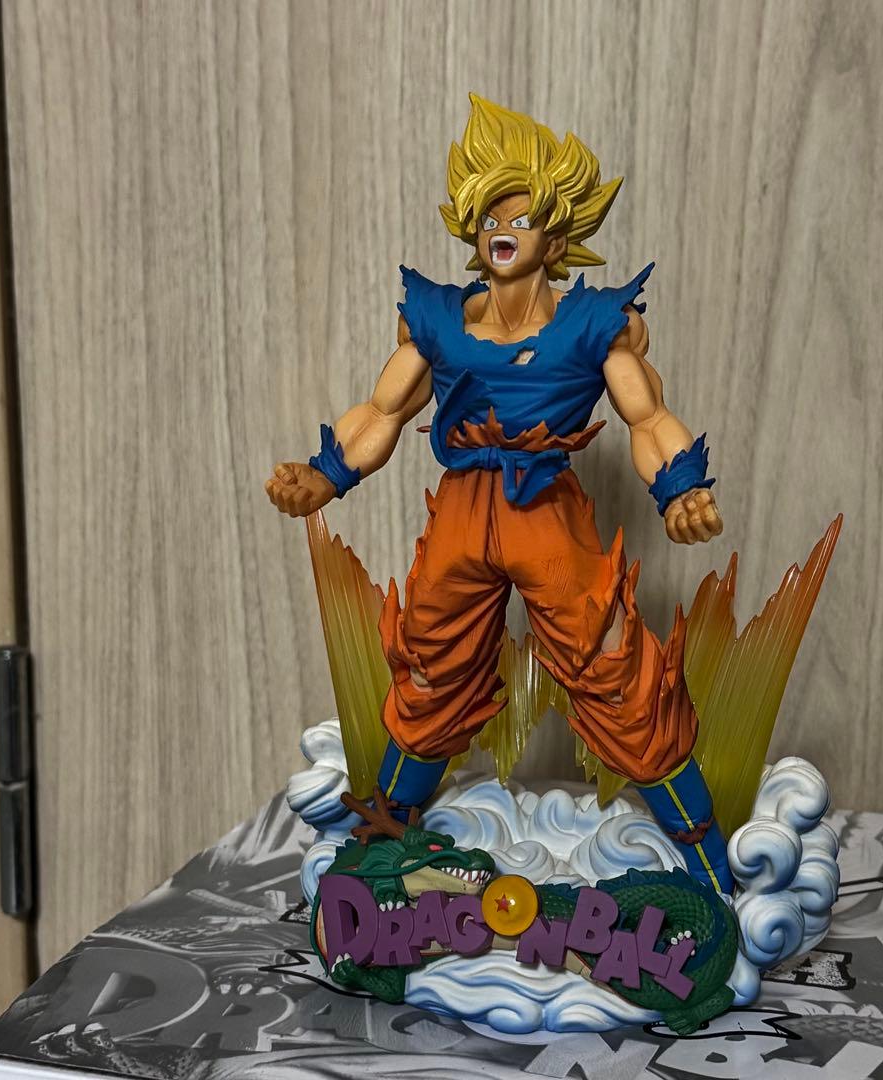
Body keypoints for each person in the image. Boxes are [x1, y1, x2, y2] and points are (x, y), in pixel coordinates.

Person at [267, 95, 733, 894]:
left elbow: (647, 415)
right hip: (462, 510)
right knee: (429, 669)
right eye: (488, 216)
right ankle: (386, 845)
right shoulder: (440, 321)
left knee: (614, 671)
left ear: (555, 235)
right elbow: (384, 410)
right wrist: (324, 475)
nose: (500, 229)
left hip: (545, 510)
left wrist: (680, 489)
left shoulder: (593, 324)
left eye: (519, 216)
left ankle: (711, 867)